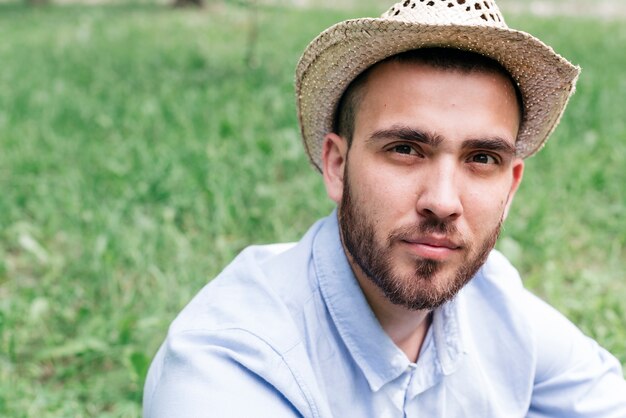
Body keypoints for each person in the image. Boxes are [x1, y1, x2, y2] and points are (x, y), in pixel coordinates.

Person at [143, 0, 626, 416]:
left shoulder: (496, 303)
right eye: (405, 149)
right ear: (336, 165)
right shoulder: (235, 362)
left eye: (481, 158)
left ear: (511, 186)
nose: (442, 201)